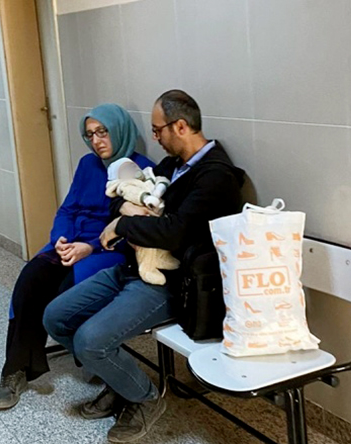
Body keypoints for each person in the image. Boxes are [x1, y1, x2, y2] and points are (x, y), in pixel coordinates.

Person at [43, 90, 245, 443]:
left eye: (157, 130)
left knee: (90, 341)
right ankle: (121, 382)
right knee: (56, 317)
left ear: (180, 127)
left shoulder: (216, 176)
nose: (154, 137)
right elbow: (121, 196)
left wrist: (124, 225)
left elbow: (175, 231)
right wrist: (126, 215)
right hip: (133, 266)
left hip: (170, 282)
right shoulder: (171, 166)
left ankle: (146, 399)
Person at [0, 103, 154, 411]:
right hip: (71, 242)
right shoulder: (87, 164)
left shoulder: (141, 170)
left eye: (103, 132)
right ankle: (15, 369)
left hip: (107, 249)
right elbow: (67, 208)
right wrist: (61, 239)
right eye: (90, 134)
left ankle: (98, 362)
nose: (96, 141)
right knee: (30, 280)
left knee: (66, 288)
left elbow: (135, 228)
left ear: (119, 130)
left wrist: (89, 247)